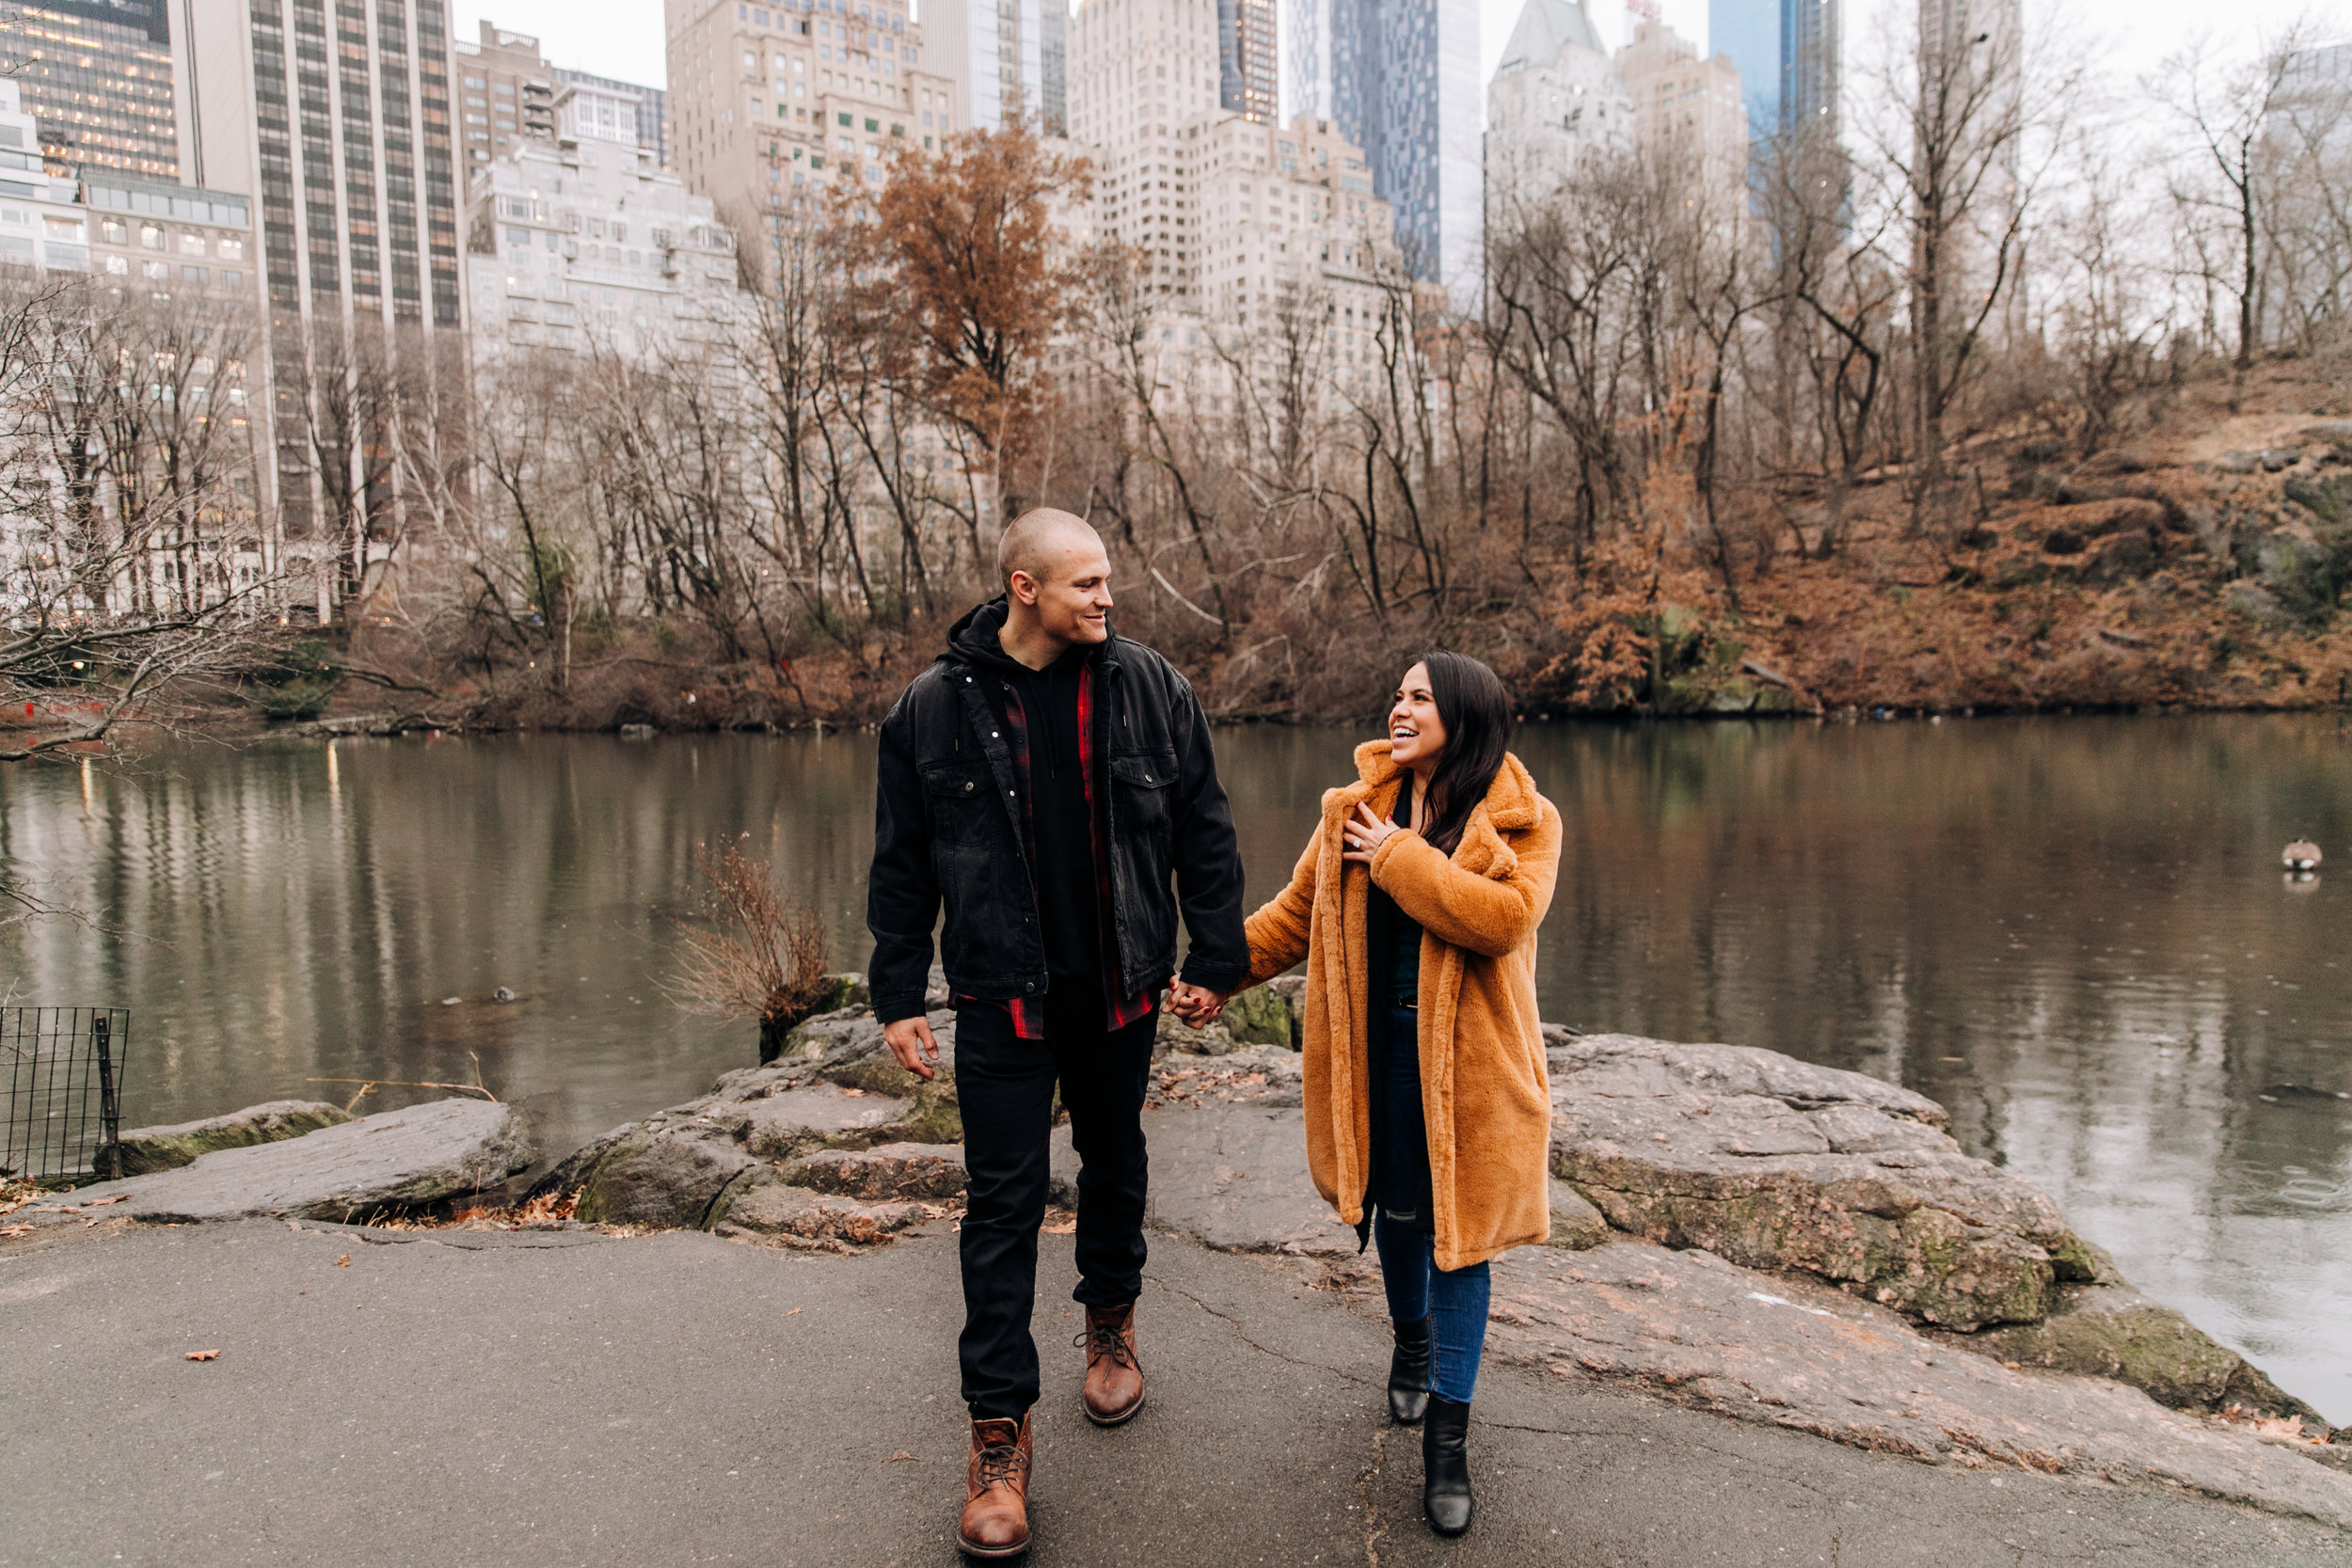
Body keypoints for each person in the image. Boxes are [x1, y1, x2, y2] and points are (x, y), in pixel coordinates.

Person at [866, 509, 1248, 1560]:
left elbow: (1201, 827)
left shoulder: (1152, 686)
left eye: (1109, 580)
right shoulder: (931, 711)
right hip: (1000, 996)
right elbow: (901, 861)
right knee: (1000, 1205)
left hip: (1120, 987)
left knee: (1115, 1158)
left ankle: (1110, 1320)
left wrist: (1215, 959)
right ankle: (998, 1436)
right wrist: (898, 990)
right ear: (1023, 588)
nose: (1107, 598)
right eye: (1086, 583)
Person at [1236, 652, 1560, 1538]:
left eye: (1421, 696)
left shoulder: (1523, 821)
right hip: (1375, 1057)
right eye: (1399, 694)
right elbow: (1293, 916)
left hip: (1475, 1078)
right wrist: (1213, 974)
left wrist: (1398, 858)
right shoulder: (1354, 810)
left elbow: (1500, 921)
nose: (1400, 706)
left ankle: (1447, 1445)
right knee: (1401, 1218)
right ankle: (1410, 1342)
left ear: (1464, 713)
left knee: (1461, 1243)